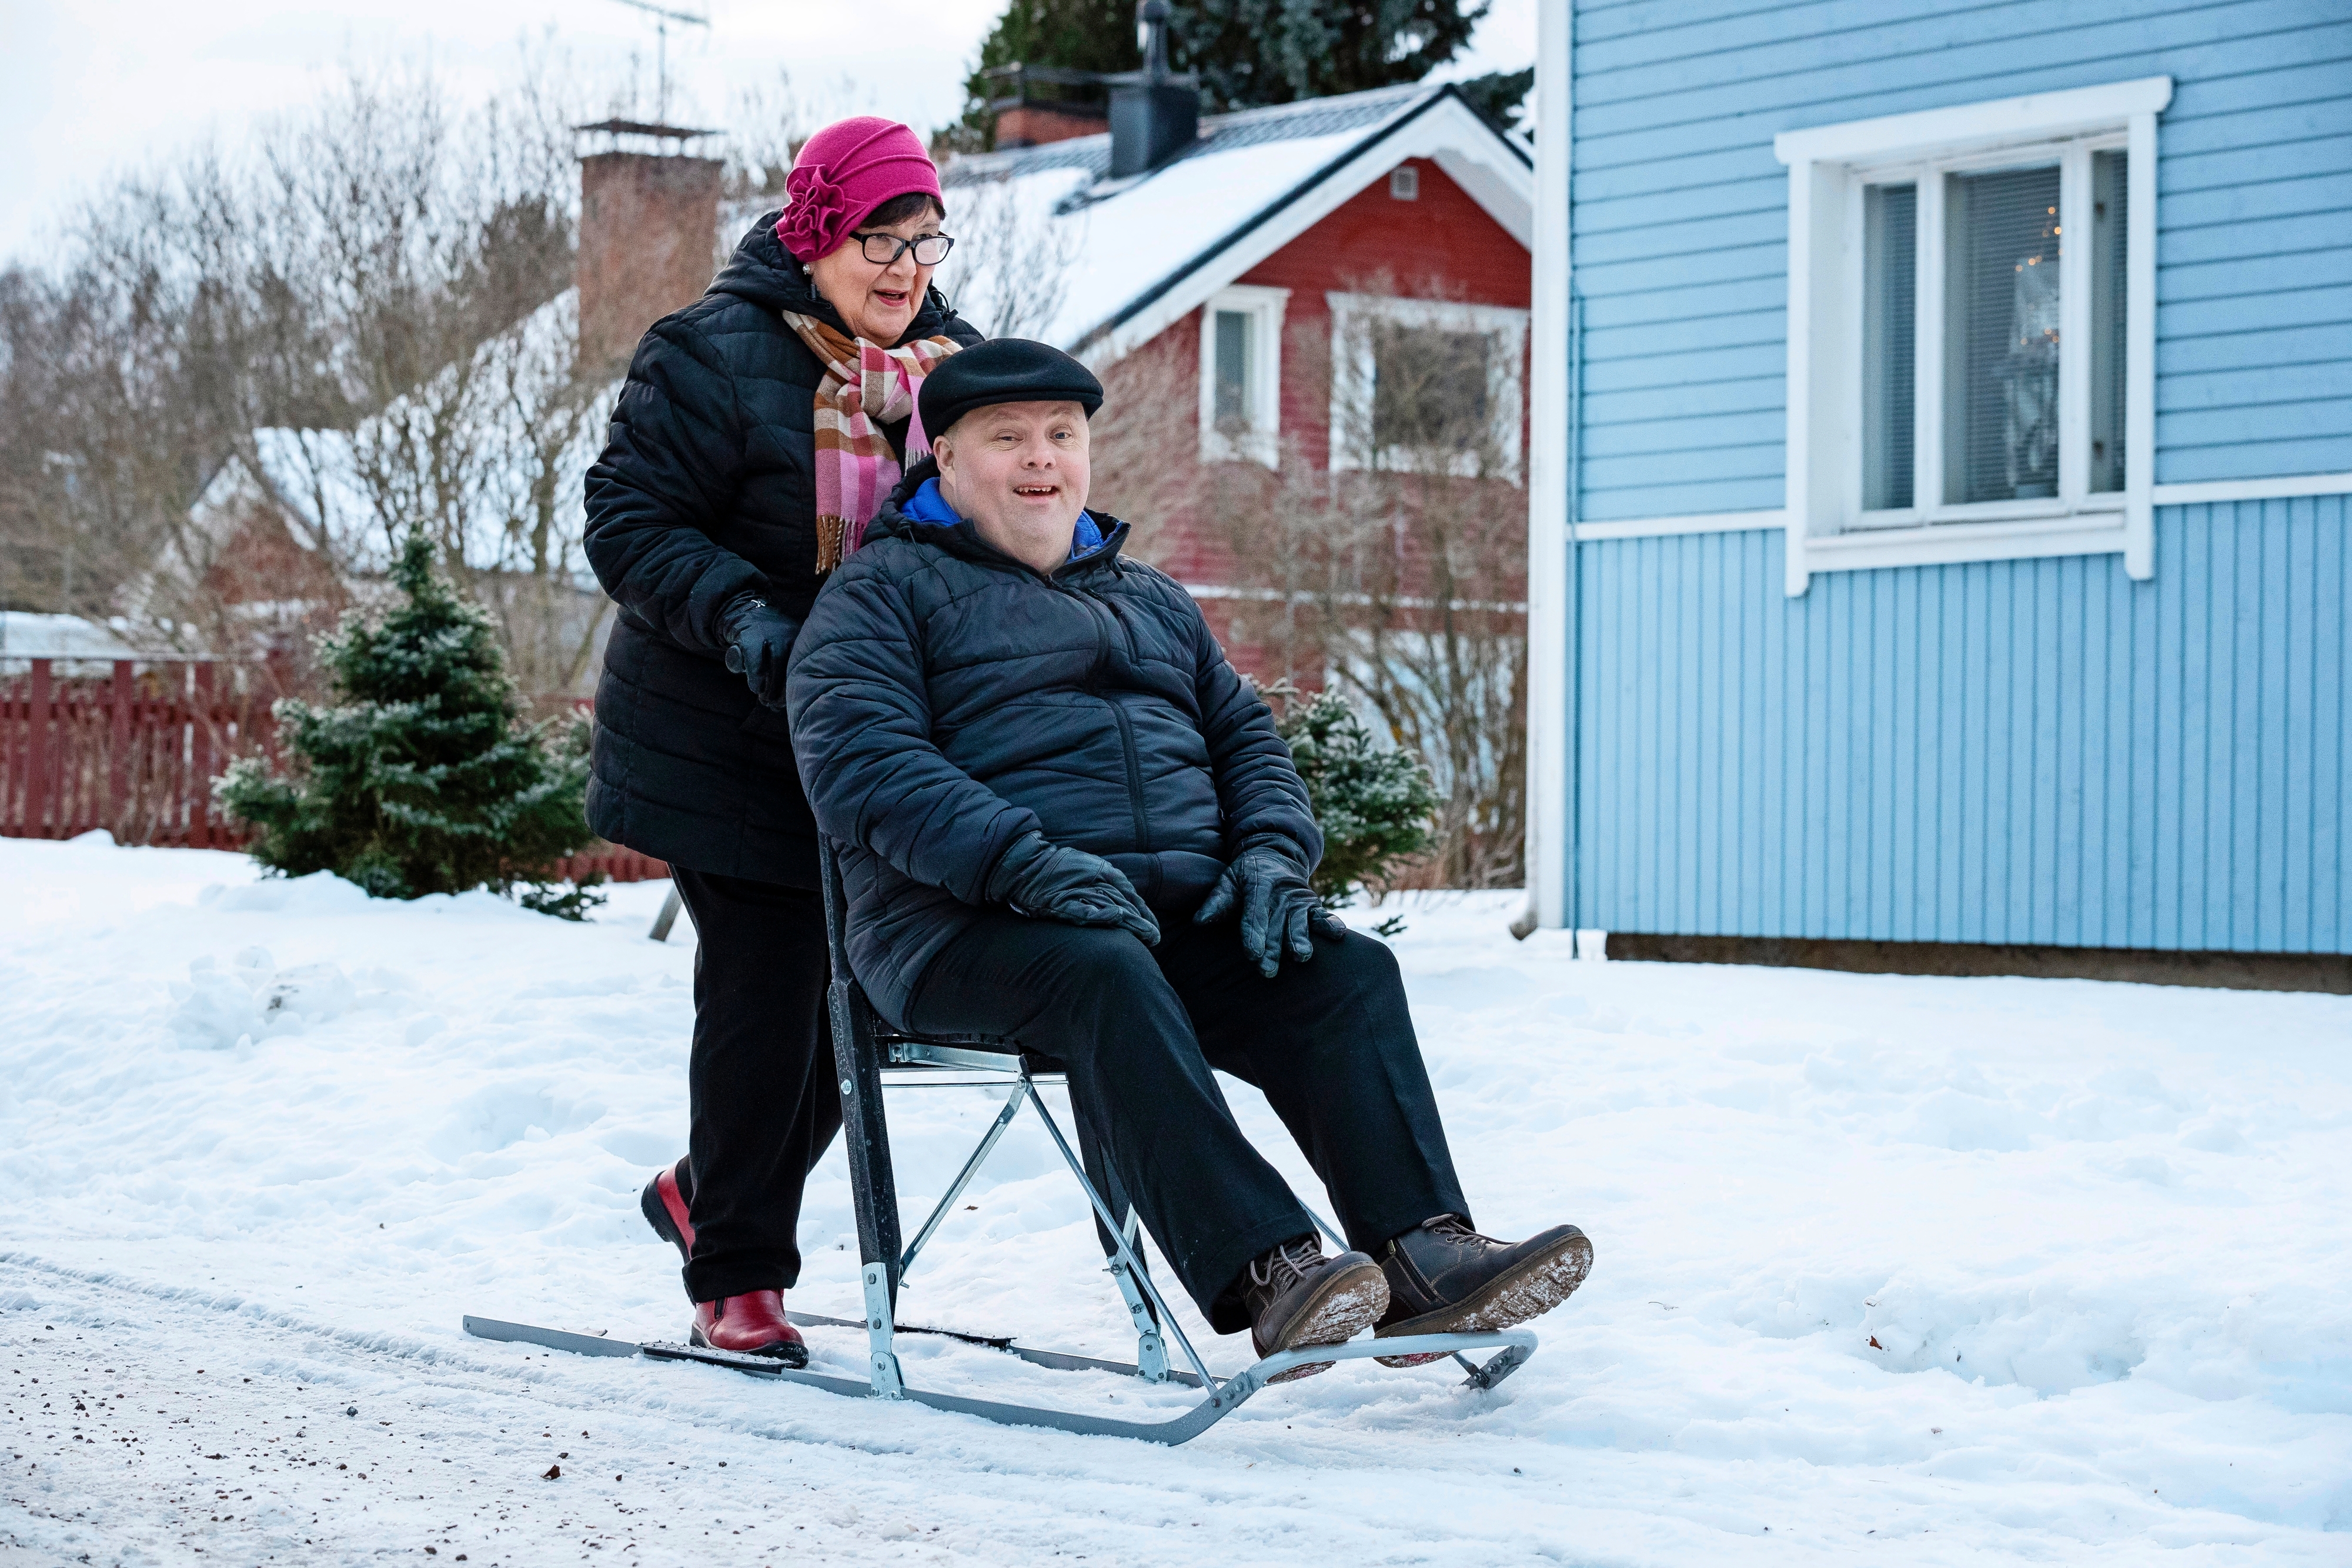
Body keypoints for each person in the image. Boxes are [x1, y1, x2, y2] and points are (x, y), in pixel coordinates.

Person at [786, 339, 1593, 1376]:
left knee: (1342, 973)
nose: (1043, 459)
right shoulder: (876, 598)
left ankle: (1423, 1251)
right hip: (961, 928)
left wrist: (1269, 855)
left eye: (1063, 437)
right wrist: (1023, 865)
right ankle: (1271, 1270)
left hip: (1169, 917)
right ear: (943, 458)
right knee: (1103, 974)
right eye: (1008, 438)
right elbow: (865, 768)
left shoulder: (1152, 598)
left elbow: (1247, 744)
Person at [582, 117, 981, 1366]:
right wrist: (744, 616)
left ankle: (709, 1188)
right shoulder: (706, 353)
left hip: (870, 741)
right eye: (879, 236)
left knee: (858, 995)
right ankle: (737, 1276)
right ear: (815, 232)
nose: (904, 265)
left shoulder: (950, 370)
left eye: (923, 239)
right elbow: (627, 523)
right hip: (725, 729)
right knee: (768, 986)